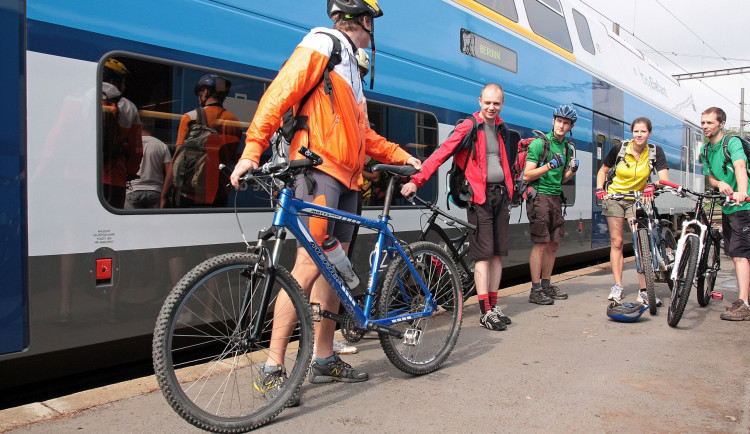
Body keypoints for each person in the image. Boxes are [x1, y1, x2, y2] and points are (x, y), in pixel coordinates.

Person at [230, 0, 421, 402]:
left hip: (350, 180)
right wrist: (252, 149)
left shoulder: (351, 67)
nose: (372, 34)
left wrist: (402, 155)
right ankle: (273, 366)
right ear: (364, 21)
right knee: (306, 265)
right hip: (318, 171)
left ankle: (323, 358)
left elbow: (365, 137)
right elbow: (280, 92)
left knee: (335, 269)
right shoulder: (323, 43)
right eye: (372, 26)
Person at [401, 83, 514, 331]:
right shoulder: (469, 127)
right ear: (479, 101)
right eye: (487, 102)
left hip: (500, 197)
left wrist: (512, 190)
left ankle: (493, 306)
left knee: (496, 256)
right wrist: (416, 180)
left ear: (502, 104)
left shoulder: (501, 128)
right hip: (479, 199)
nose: (491, 107)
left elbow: (502, 162)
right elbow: (441, 153)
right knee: (483, 256)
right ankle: (485, 312)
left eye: (496, 103)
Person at [595, 117, 669, 303]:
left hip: (638, 199)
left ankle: (644, 289)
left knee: (640, 241)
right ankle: (618, 286)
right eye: (636, 131)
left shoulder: (655, 152)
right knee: (617, 242)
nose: (639, 135)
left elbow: (664, 178)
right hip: (616, 198)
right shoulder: (620, 149)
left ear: (649, 133)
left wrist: (653, 186)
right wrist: (600, 189)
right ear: (632, 132)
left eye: (643, 131)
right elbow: (603, 170)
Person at [522, 105, 579, 305]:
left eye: (566, 123)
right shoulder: (540, 144)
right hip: (539, 198)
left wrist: (571, 171)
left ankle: (546, 285)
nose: (561, 126)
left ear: (571, 126)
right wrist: (548, 166)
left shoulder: (566, 147)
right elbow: (527, 174)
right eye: (559, 121)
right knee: (541, 244)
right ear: (553, 121)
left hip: (556, 198)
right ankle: (535, 289)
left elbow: (561, 179)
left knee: (554, 244)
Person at [699, 107, 750, 321]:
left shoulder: (732, 143)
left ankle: (744, 303)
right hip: (728, 206)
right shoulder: (705, 149)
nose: (704, 127)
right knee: (736, 252)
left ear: (721, 123)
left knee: (740, 254)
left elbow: (739, 166)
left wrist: (741, 191)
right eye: (702, 122)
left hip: (743, 206)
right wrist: (719, 183)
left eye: (709, 123)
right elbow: (710, 176)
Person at [167, 74, 242, 207]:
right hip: (220, 192)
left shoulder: (190, 118)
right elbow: (231, 157)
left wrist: (164, 193)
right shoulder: (235, 122)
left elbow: (177, 160)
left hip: (192, 193)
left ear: (205, 91)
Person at [101, 58, 143, 209]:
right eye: (123, 82)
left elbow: (57, 139)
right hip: (114, 178)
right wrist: (130, 172)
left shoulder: (79, 98)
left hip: (77, 175)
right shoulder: (129, 107)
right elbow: (136, 149)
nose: (124, 87)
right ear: (114, 80)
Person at [124, 118, 171, 209]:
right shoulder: (162, 146)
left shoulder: (130, 144)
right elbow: (170, 172)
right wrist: (165, 196)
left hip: (132, 190)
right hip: (155, 191)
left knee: (132, 223)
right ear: (152, 129)